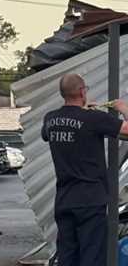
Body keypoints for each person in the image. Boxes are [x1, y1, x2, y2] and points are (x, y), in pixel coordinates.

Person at [41, 73, 128, 266]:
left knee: (68, 256)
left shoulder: (50, 119)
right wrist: (124, 108)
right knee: (92, 257)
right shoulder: (93, 119)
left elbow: (52, 133)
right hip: (90, 201)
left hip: (64, 200)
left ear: (63, 93)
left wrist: (82, 113)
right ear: (82, 91)